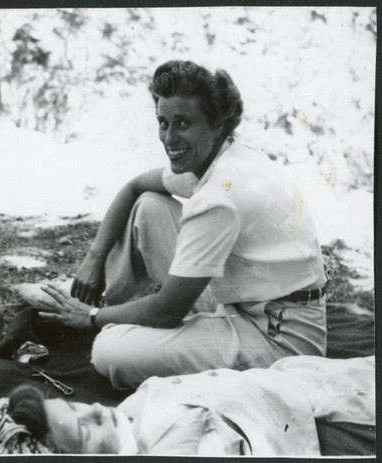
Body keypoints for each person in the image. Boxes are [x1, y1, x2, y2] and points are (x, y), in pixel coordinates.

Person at [38, 60, 328, 389]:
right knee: (149, 205)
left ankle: (88, 313)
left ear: (218, 123)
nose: (170, 137)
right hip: (245, 301)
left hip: (282, 341)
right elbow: (134, 187)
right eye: (163, 123)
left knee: (108, 350)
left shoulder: (221, 192)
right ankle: (96, 301)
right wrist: (94, 257)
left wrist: (89, 320)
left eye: (183, 123)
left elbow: (166, 312)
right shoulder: (221, 154)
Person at [0, 355, 375, 456]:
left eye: (77, 407)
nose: (95, 408)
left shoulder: (126, 420)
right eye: (86, 429)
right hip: (335, 419)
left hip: (306, 377)